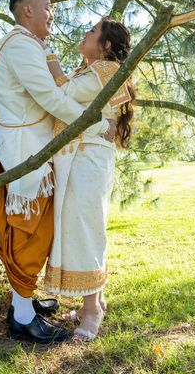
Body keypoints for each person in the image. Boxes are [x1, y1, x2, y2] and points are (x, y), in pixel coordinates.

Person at [0, 0, 116, 344]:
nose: (52, 14)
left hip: (30, 152)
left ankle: (22, 303)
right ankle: (23, 319)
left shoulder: (28, 44)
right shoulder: (22, 45)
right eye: (47, 8)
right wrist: (100, 124)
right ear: (28, 11)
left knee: (29, 230)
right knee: (26, 231)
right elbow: (52, 98)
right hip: (22, 152)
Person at [43, 18, 135, 342]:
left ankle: (93, 308)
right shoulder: (91, 72)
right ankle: (91, 304)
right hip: (77, 156)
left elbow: (63, 92)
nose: (86, 33)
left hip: (89, 158)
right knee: (77, 225)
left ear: (107, 46)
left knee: (86, 227)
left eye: (93, 31)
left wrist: (49, 57)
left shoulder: (107, 69)